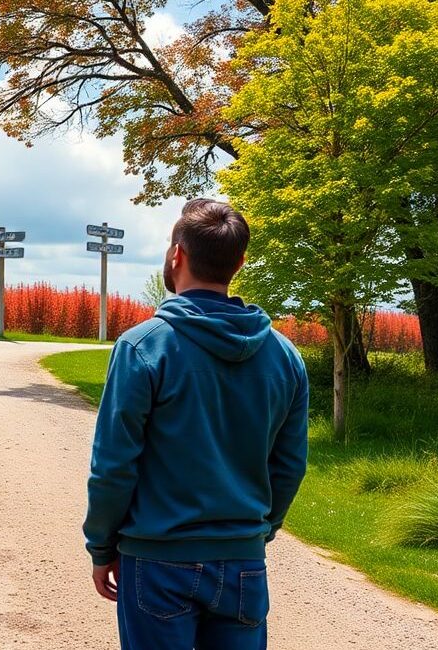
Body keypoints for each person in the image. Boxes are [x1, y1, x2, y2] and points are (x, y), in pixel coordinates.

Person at [83, 199, 309, 650]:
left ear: (177, 255)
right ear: (239, 263)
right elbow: (289, 466)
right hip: (242, 561)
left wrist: (101, 547)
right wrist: (260, 531)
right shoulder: (285, 357)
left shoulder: (143, 348)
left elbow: (114, 465)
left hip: (157, 562)